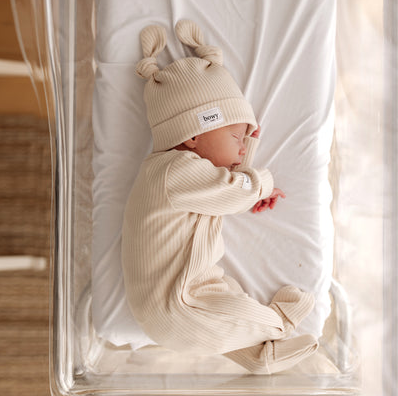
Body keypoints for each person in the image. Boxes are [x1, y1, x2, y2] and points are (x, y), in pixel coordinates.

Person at [121, 19, 318, 374]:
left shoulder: (185, 173)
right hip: (177, 304)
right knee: (235, 315)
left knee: (228, 315)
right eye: (237, 137)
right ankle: (278, 324)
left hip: (189, 296)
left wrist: (248, 169)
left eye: (245, 139)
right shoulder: (173, 170)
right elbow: (230, 190)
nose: (243, 147)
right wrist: (260, 184)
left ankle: (260, 354)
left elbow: (227, 184)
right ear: (192, 135)